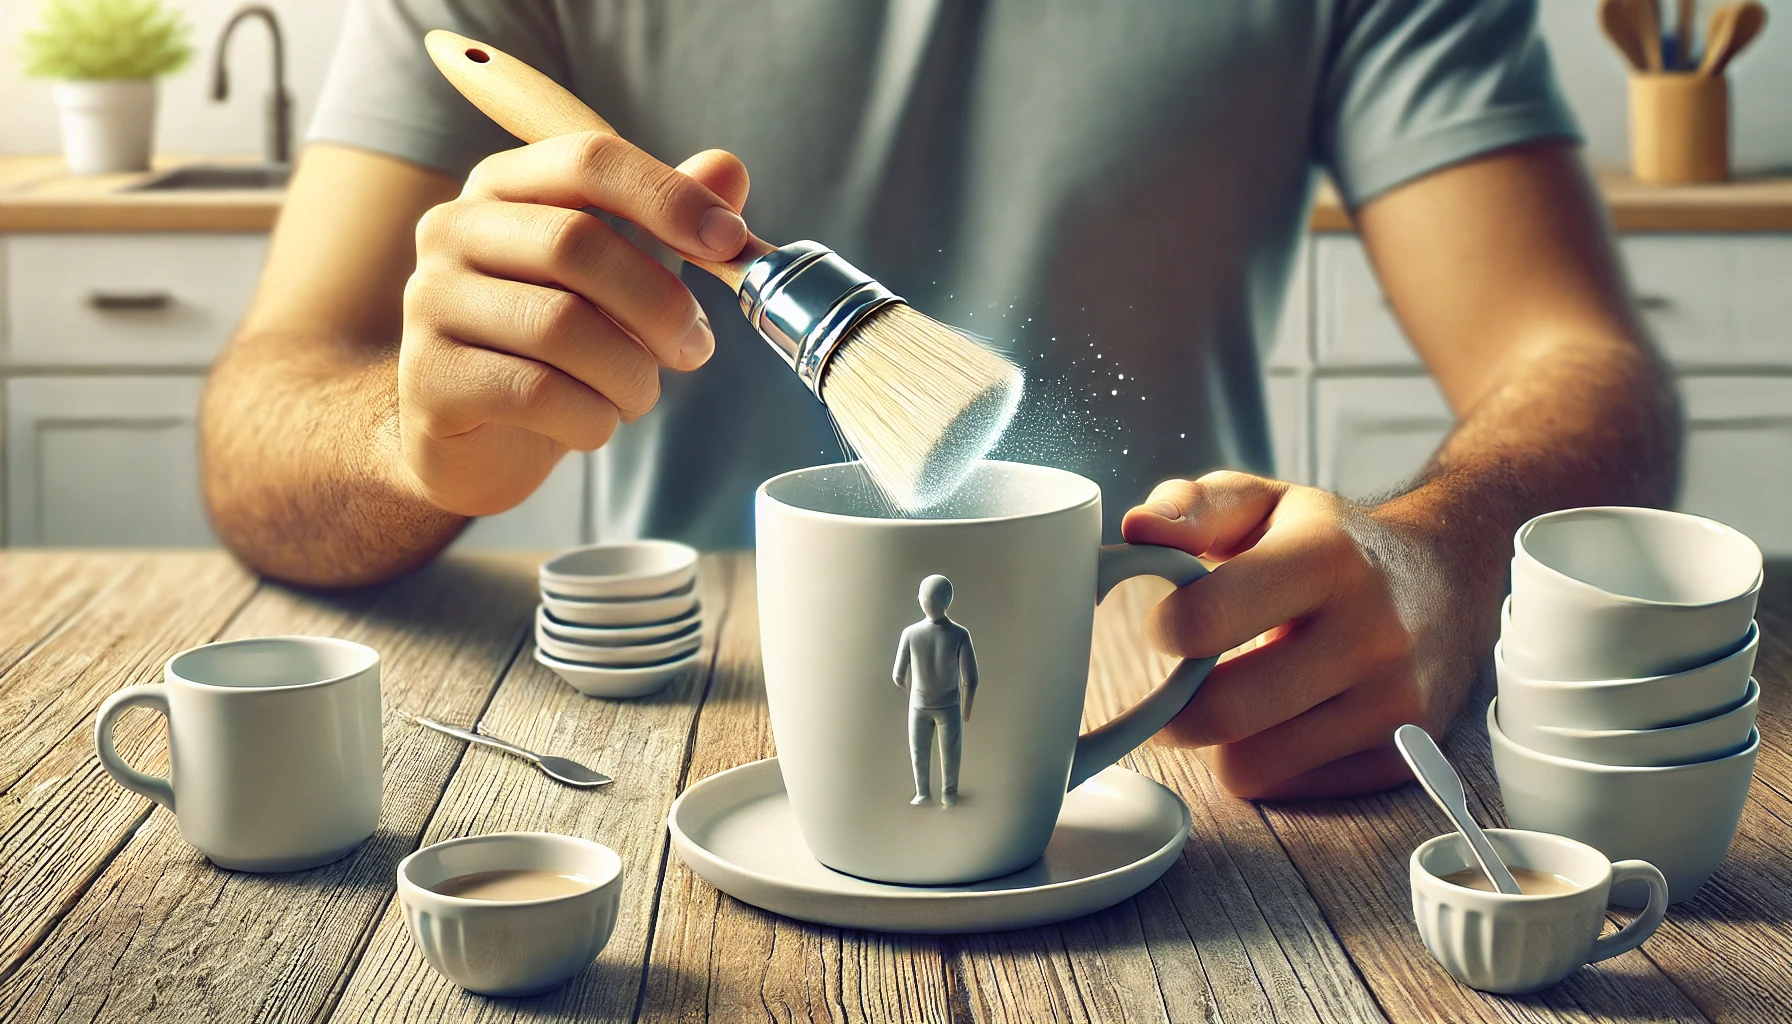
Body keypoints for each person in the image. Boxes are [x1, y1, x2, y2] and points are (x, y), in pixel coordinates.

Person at [200, 1, 1679, 800]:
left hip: (1195, 742)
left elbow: (1577, 361)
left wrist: (1446, 552)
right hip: (670, 737)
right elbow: (261, 419)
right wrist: (408, 441)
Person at [892, 575, 979, 807]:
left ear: (920, 599)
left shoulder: (910, 633)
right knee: (950, 753)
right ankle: (949, 794)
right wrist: (966, 711)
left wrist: (910, 695)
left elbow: (898, 675)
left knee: (919, 752)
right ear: (947, 601)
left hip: (919, 705)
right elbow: (971, 680)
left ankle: (922, 793)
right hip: (949, 706)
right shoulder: (960, 634)